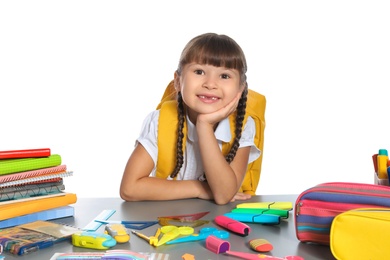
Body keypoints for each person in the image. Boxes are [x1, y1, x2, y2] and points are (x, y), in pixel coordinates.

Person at [120, 33, 261, 205]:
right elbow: (129, 188)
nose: (210, 83)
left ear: (241, 88)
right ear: (178, 81)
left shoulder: (243, 125)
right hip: (167, 220)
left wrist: (204, 125)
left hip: (222, 223)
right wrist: (198, 188)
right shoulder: (159, 121)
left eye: (224, 76)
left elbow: (223, 195)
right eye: (199, 72)